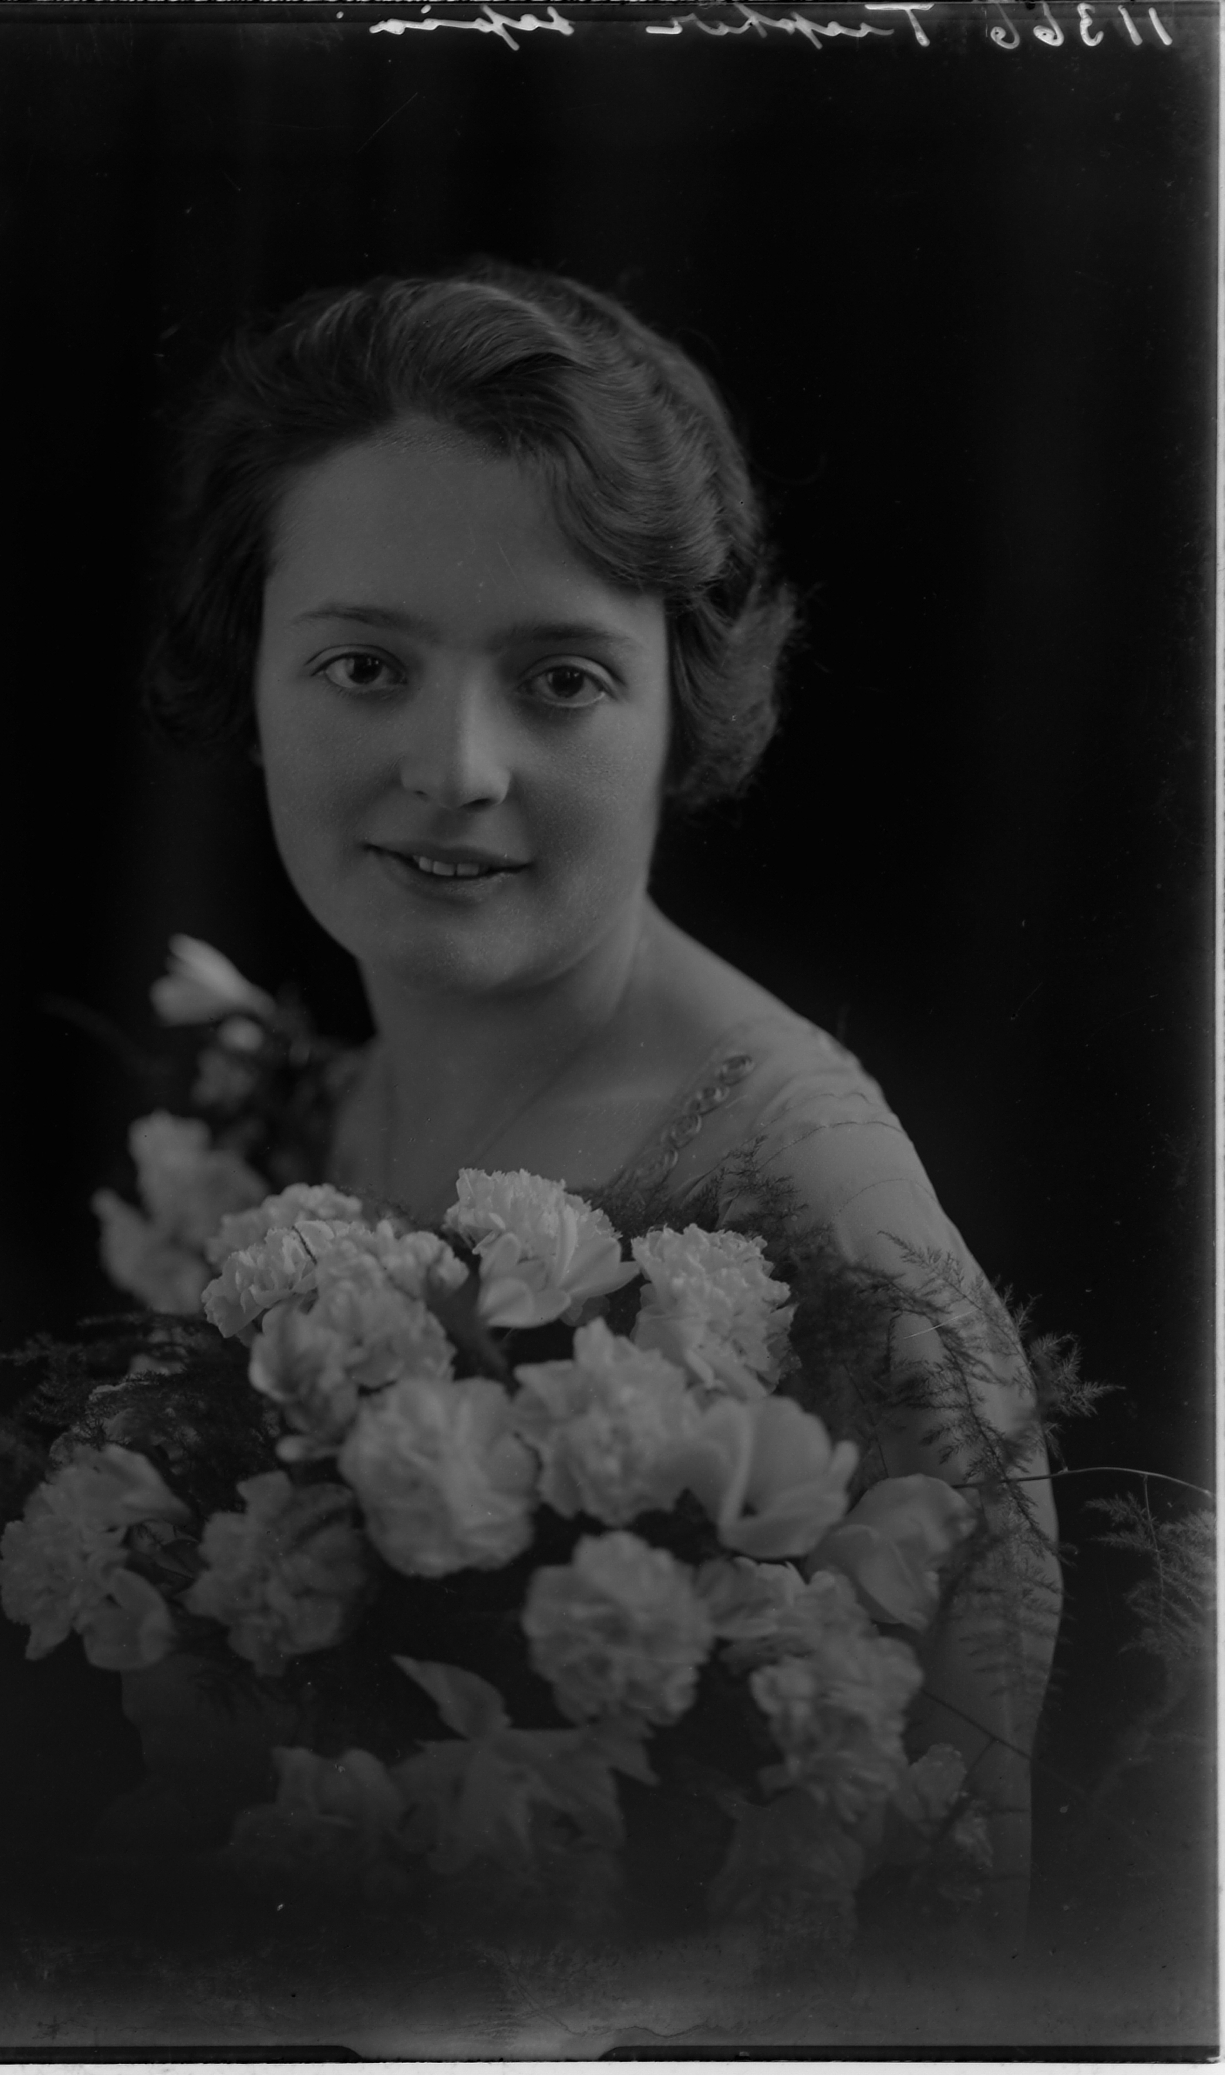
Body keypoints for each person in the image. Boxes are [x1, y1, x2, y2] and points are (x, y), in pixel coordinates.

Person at [142, 263, 1061, 1935]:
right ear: (253, 675)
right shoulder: (300, 1109)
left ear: (680, 708)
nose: (457, 767)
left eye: (560, 678)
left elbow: (971, 1892)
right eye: (364, 665)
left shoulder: (819, 1195)